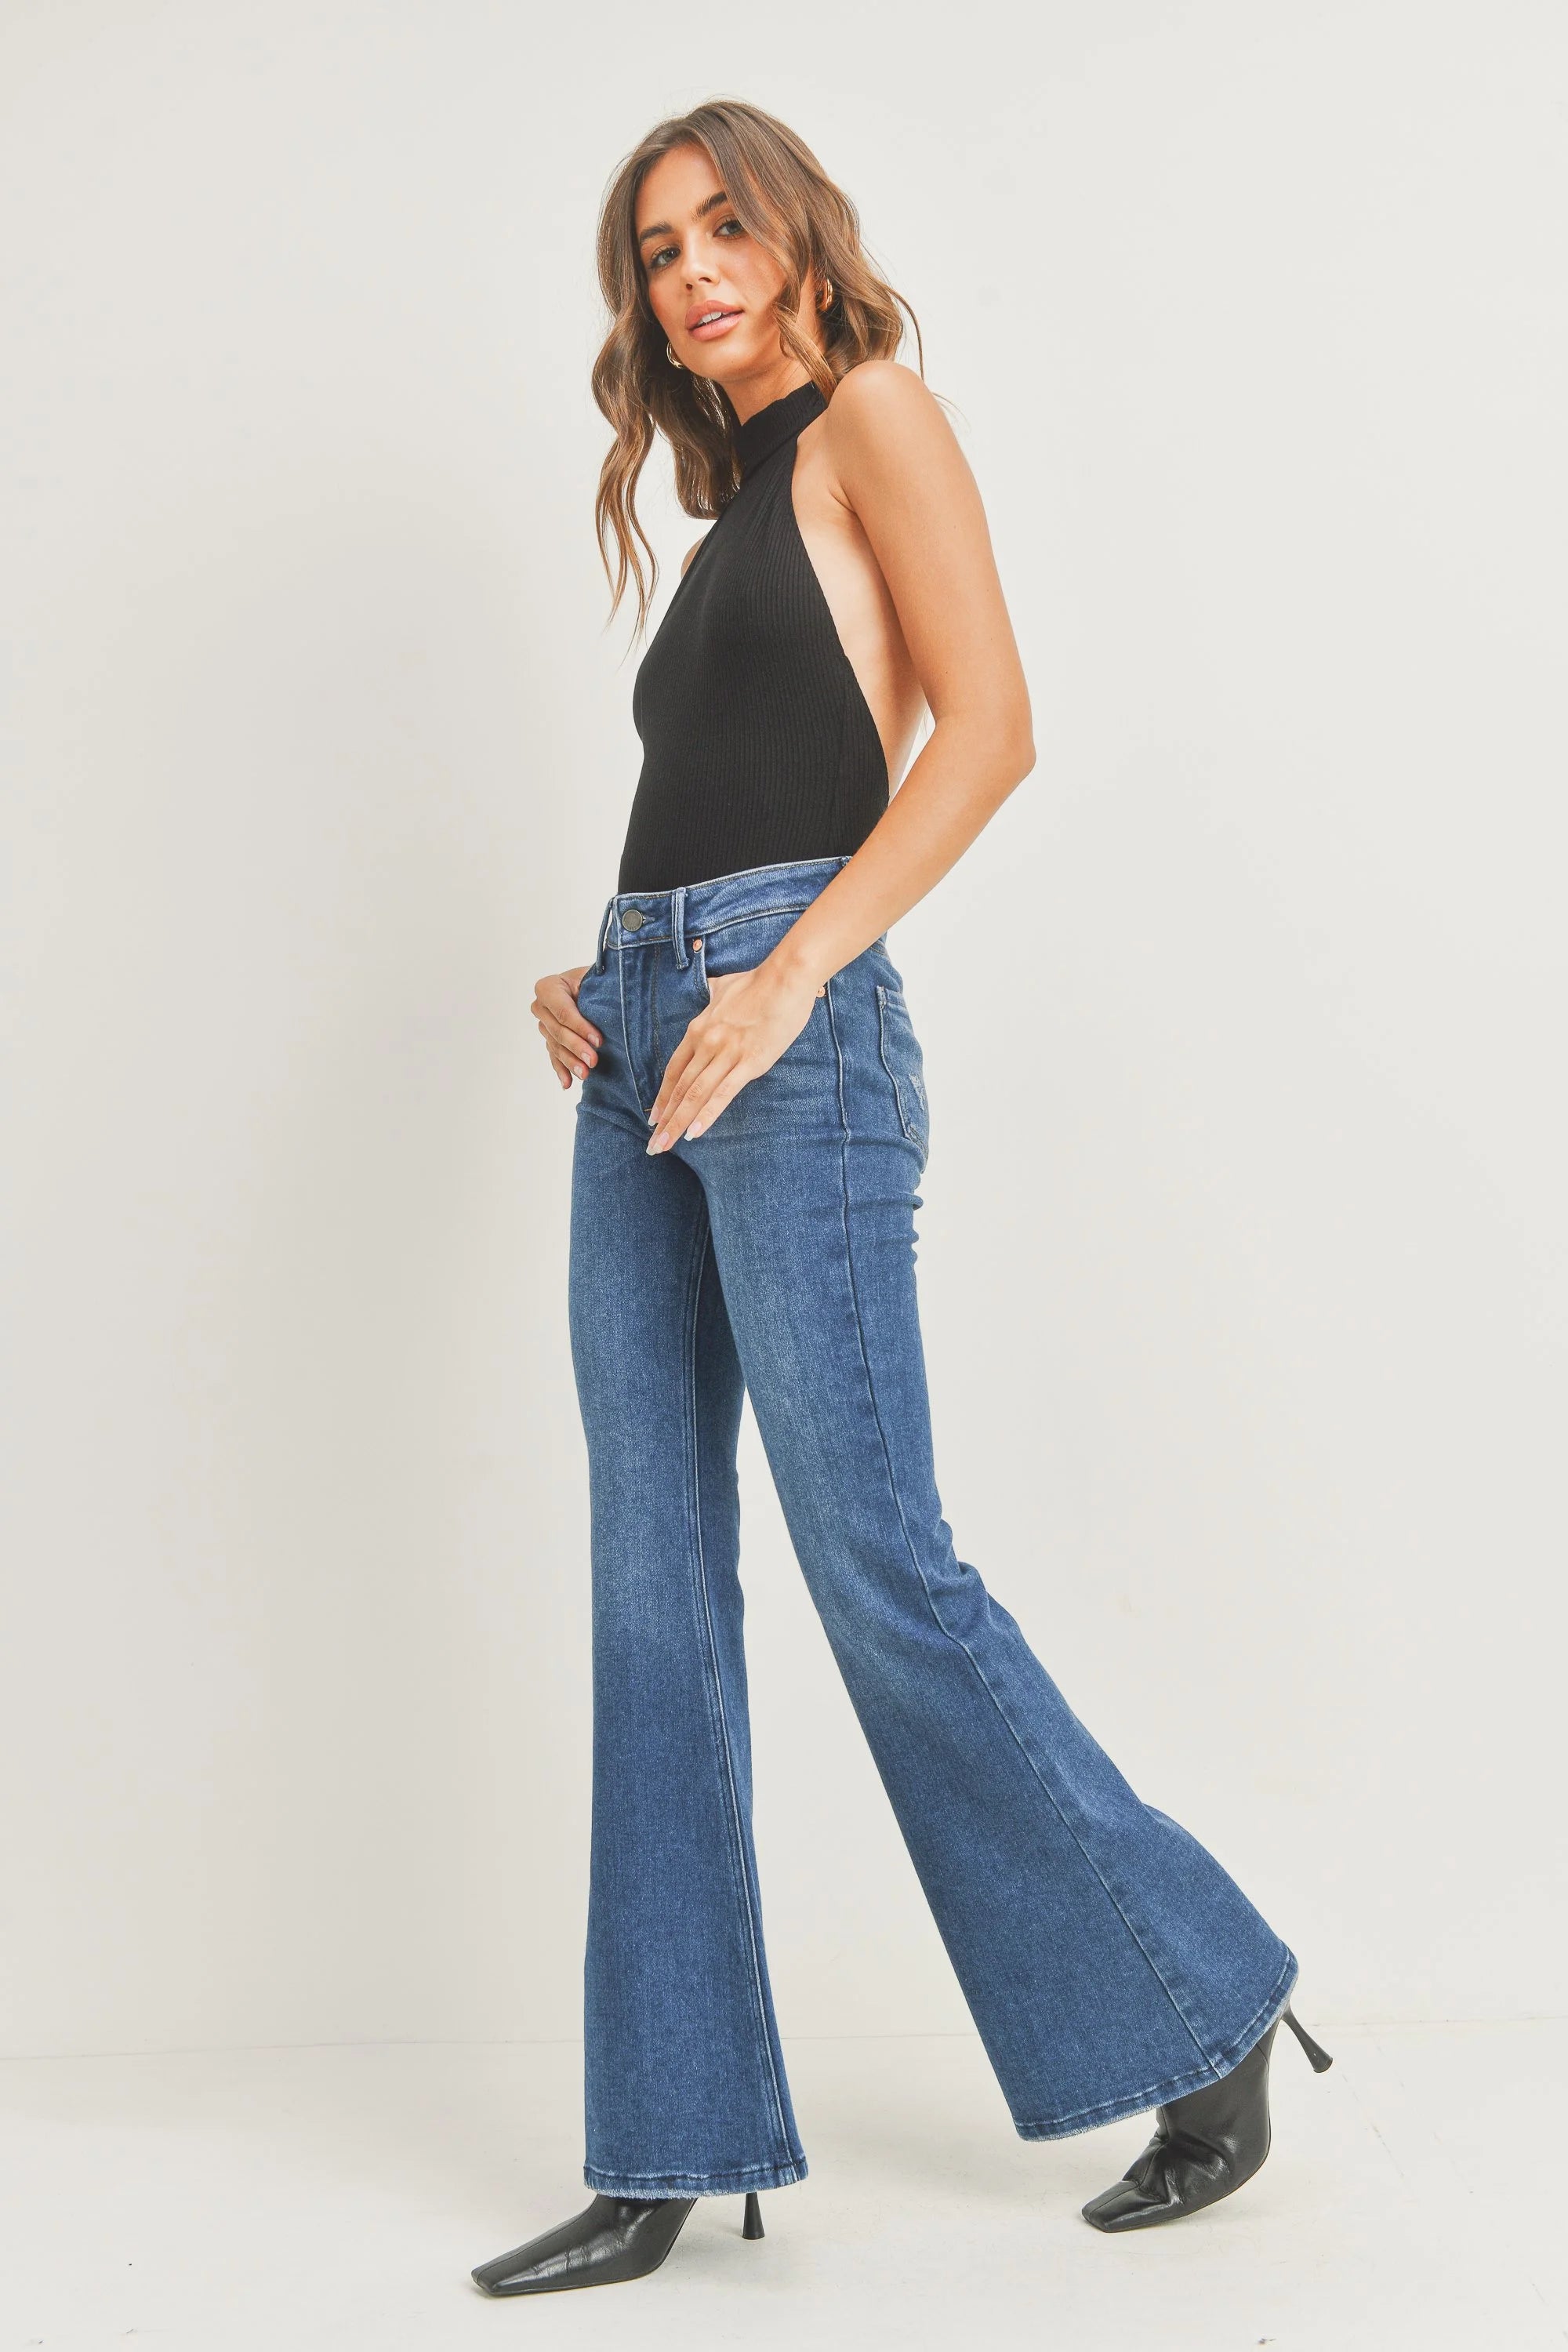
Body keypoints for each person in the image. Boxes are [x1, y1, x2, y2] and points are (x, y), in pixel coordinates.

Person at [472, 97, 1330, 2299]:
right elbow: (721, 779)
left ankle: (1197, 1999)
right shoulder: (741, 491)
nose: (690, 275)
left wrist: (789, 973)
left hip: (794, 1035)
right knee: (650, 1587)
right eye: (657, 253)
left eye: (721, 227)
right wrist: (619, 970)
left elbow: (989, 728)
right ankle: (666, 2137)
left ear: (796, 235)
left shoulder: (876, 419)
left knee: (881, 1563)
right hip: (650, 1030)